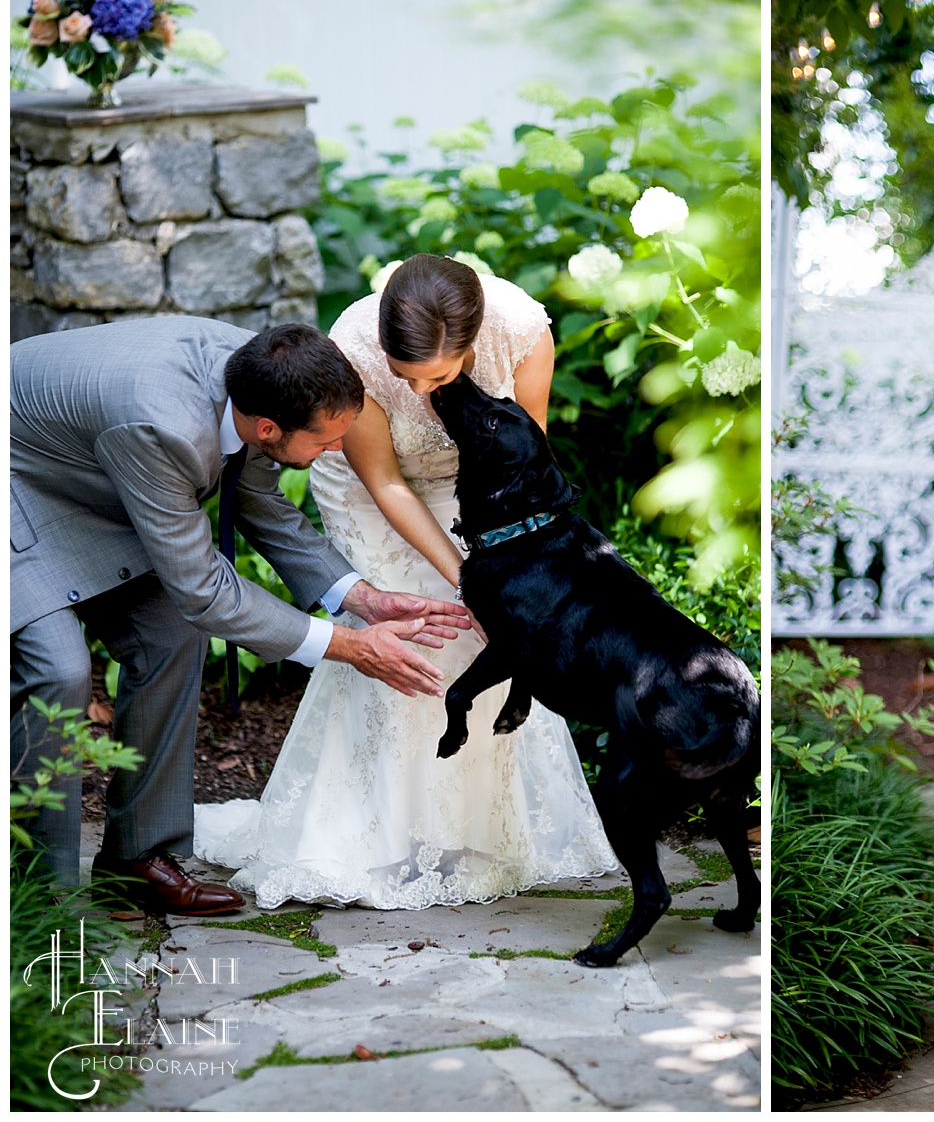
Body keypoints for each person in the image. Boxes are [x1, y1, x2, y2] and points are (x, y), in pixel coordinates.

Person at [195, 256, 619, 908]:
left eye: (440, 379)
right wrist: (469, 580)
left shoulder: (524, 332)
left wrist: (510, 572)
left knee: (486, 642)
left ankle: (469, 829)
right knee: (415, 626)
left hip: (471, 487)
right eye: (403, 377)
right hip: (373, 491)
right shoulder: (356, 345)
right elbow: (387, 481)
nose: (421, 395)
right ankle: (370, 835)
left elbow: (523, 462)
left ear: (473, 349)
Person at [11, 319, 471, 912]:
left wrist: (364, 600)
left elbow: (259, 502)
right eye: (327, 442)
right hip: (16, 474)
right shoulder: (166, 427)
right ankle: (33, 894)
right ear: (268, 428)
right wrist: (352, 647)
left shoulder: (265, 374)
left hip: (86, 472)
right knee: (60, 672)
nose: (337, 452)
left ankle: (134, 860)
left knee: (172, 636)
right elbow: (202, 588)